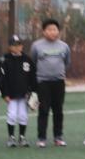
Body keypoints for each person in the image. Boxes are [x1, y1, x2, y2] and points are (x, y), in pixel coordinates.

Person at [30, 18, 70, 148]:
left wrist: (59, 73)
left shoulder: (64, 46)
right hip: (43, 82)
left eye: (54, 29)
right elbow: (33, 62)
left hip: (59, 82)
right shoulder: (36, 46)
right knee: (43, 110)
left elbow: (66, 62)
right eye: (49, 29)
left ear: (58, 31)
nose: (52, 32)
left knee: (58, 110)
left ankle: (58, 137)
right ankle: (41, 138)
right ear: (44, 31)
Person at [1, 34, 35, 147]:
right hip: (11, 94)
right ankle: (11, 137)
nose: (17, 47)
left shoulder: (27, 60)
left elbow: (32, 77)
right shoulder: (6, 60)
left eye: (19, 45)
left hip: (24, 94)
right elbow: (3, 79)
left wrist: (34, 93)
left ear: (22, 46)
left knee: (23, 116)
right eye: (14, 45)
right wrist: (4, 94)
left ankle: (22, 137)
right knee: (11, 115)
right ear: (10, 47)